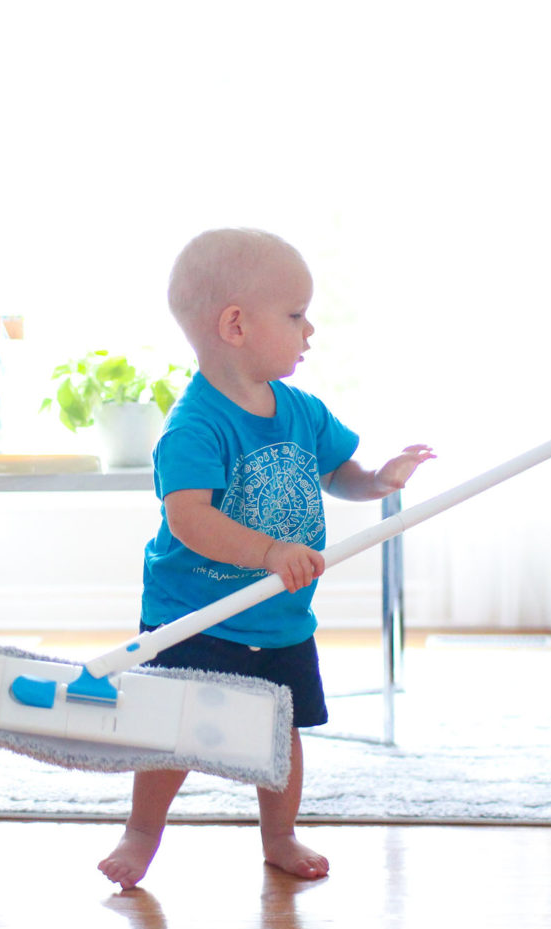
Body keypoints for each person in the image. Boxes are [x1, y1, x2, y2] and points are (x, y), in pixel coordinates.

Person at [98, 228, 435, 889]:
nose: (310, 330)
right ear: (236, 324)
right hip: (196, 617)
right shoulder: (195, 427)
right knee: (174, 731)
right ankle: (142, 833)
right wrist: (269, 551)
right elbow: (188, 519)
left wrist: (377, 481)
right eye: (295, 314)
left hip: (278, 618)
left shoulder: (302, 411)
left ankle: (279, 836)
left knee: (281, 732)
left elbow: (341, 471)